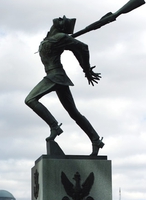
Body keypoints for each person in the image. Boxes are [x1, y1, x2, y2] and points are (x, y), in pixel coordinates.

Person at [25, 16, 104, 156]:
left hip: (55, 76)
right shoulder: (53, 38)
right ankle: (95, 139)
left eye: (63, 20)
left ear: (61, 27)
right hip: (56, 76)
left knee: (30, 100)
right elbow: (75, 47)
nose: (62, 18)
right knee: (74, 113)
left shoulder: (60, 37)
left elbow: (83, 48)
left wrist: (86, 69)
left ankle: (54, 127)